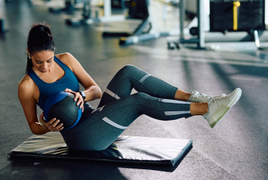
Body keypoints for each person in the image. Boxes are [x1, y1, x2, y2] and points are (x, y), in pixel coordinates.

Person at [18, 23, 242, 151]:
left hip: (94, 116)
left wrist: (82, 95)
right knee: (137, 101)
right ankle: (205, 110)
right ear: (29, 53)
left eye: (49, 60)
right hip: (81, 138)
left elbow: (94, 90)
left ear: (54, 51)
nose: (46, 66)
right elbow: (33, 125)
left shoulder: (66, 60)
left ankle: (199, 99)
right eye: (39, 62)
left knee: (128, 72)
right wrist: (46, 127)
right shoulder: (27, 86)